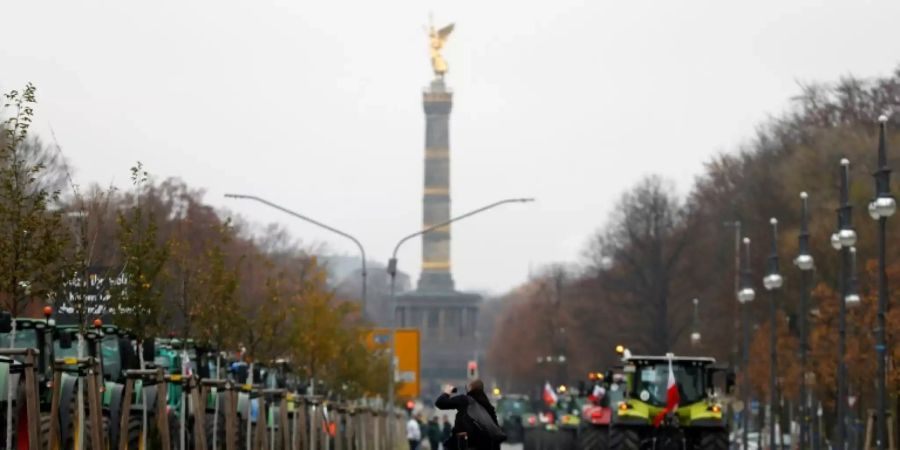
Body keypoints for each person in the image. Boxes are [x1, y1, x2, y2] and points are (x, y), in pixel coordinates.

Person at [434, 379, 500, 450]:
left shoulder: (464, 400)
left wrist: (447, 392)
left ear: (470, 389)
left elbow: (440, 403)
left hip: (463, 444)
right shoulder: (489, 406)